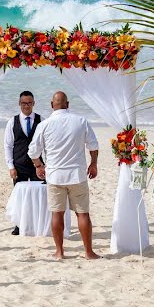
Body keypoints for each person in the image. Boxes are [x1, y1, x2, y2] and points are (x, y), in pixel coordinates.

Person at [28, 91, 100, 260]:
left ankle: (60, 252)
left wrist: (39, 166)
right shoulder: (81, 121)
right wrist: (93, 163)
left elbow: (33, 151)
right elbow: (93, 145)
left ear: (52, 105)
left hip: (55, 176)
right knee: (82, 214)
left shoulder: (44, 125)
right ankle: (88, 252)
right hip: (77, 175)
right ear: (68, 104)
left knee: (57, 214)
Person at [3, 90, 43, 235]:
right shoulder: (12, 122)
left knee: (37, 195)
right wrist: (11, 166)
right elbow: (8, 145)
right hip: (18, 165)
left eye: (29, 103)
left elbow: (46, 143)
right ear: (19, 104)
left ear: (34, 103)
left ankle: (35, 224)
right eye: (24, 103)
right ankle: (19, 225)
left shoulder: (41, 120)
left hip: (37, 165)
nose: (26, 106)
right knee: (19, 197)